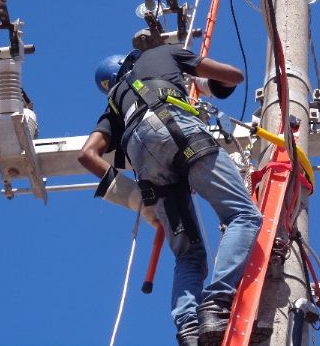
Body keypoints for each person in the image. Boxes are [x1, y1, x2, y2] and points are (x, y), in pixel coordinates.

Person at [78, 44, 263, 346]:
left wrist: (136, 198)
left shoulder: (115, 104)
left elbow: (87, 155)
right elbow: (234, 76)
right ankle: (216, 304)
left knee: (188, 255)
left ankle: (189, 329)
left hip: (145, 161)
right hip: (176, 128)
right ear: (131, 60)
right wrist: (199, 80)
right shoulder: (162, 52)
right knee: (243, 215)